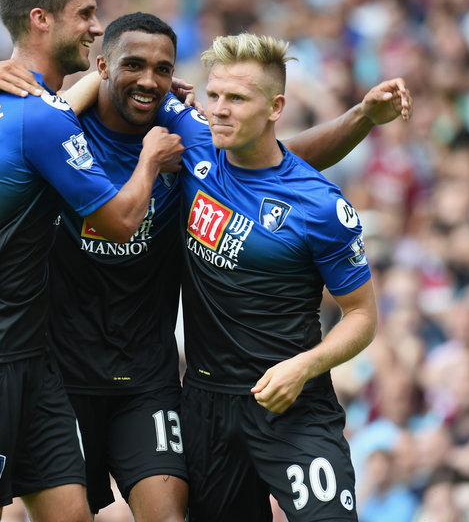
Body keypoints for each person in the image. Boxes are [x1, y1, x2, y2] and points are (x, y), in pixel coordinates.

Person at [0, 9, 412, 521]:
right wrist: (17, 93)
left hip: (193, 386)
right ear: (103, 65)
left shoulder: (218, 153)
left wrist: (361, 117)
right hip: (93, 378)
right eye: (214, 96)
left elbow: (279, 163)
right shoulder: (77, 132)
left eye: (163, 70)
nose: (149, 80)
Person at [0, 0, 184, 522]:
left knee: (70, 514)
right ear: (41, 19)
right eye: (83, 13)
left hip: (32, 355)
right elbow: (121, 219)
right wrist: (152, 159)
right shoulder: (40, 117)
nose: (92, 25)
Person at [152, 32, 384, 521]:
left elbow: (362, 316)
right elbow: (116, 78)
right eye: (214, 95)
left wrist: (304, 366)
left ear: (275, 106)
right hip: (207, 405)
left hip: (293, 404)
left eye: (237, 98)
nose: (219, 109)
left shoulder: (321, 205)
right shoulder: (195, 139)